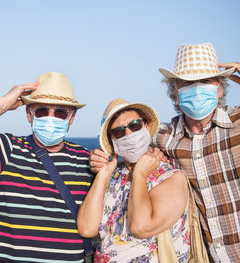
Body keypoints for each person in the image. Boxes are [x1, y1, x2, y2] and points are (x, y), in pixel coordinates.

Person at [89, 43, 240, 262]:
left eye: (206, 81)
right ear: (175, 92)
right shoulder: (163, 136)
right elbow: (127, 138)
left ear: (220, 89)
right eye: (187, 83)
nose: (197, 88)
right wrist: (99, 158)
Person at [0, 72, 94, 262]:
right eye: (41, 111)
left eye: (60, 112)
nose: (51, 117)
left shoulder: (85, 158)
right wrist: (4, 103)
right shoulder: (8, 148)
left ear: (71, 118)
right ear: (29, 115)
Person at [77, 98, 190, 262]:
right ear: (112, 141)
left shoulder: (171, 177)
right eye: (119, 132)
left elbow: (141, 227)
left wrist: (139, 175)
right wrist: (102, 175)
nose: (128, 134)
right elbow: (87, 229)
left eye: (135, 125)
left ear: (146, 125)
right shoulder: (113, 177)